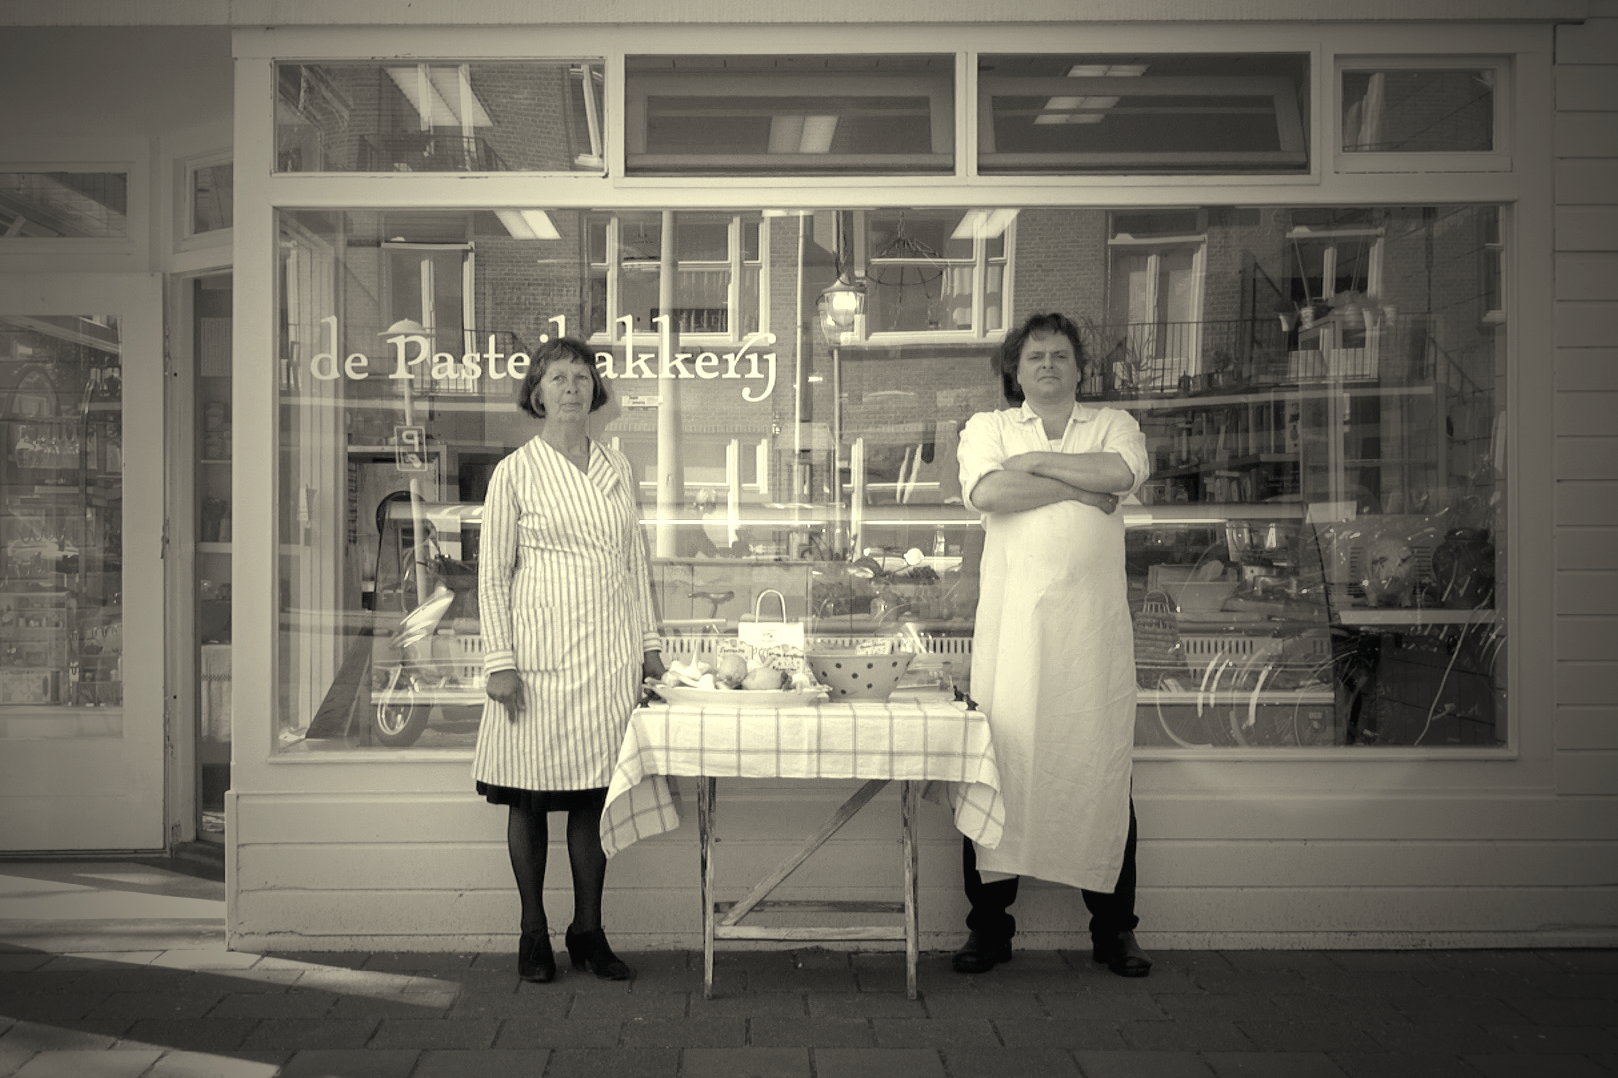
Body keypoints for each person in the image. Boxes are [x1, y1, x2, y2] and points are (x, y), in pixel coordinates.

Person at [952, 311, 1154, 978]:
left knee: (1101, 773)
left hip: (1091, 642)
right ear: (1016, 370)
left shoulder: (1114, 423)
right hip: (1014, 638)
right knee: (998, 770)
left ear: (1078, 368)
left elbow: (1120, 475)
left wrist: (1037, 462)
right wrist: (1077, 486)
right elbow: (989, 490)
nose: (1047, 365)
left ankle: (1114, 931)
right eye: (1035, 356)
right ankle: (989, 930)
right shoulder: (987, 428)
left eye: (1059, 355)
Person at [471, 336, 666, 984]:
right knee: (529, 801)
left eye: (582, 377)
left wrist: (649, 647)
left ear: (596, 391)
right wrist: (500, 661)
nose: (572, 388)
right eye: (557, 377)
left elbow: (634, 564)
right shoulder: (515, 473)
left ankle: (588, 931)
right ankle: (533, 934)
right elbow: (492, 577)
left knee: (591, 800)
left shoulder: (617, 468)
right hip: (536, 665)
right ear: (536, 393)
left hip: (608, 659)